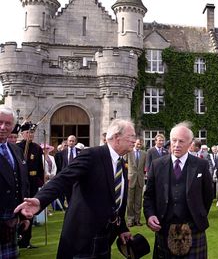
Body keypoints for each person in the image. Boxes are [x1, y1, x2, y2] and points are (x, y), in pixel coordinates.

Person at [14, 119, 135, 258]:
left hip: (105, 238)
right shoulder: (92, 155)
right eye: (131, 136)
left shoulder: (122, 163)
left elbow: (115, 201)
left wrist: (122, 228)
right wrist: (40, 200)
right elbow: (62, 179)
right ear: (116, 138)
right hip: (83, 237)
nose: (134, 140)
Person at [143, 121, 213, 258]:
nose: (176, 145)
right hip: (164, 228)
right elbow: (149, 196)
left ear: (190, 143)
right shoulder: (157, 165)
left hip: (193, 228)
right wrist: (150, 214)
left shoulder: (201, 165)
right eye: (174, 140)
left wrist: (199, 214)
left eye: (181, 141)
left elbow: (208, 196)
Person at [0, 105, 30, 258]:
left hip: (12, 220)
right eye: (0, 122)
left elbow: (22, 183)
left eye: (8, 124)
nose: (3, 127)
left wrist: (23, 216)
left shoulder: (16, 151)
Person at [17, 121, 44, 249]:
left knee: (30, 212)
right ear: (22, 134)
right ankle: (19, 238)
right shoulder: (18, 147)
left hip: (33, 182)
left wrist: (41, 180)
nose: (30, 135)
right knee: (20, 212)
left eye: (32, 132)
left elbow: (40, 166)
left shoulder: (37, 148)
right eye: (28, 132)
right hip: (22, 183)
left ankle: (27, 241)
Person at [126, 138, 147, 227]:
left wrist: (144, 174)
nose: (139, 145)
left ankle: (137, 220)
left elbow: (145, 167)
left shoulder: (144, 154)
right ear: (134, 143)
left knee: (138, 201)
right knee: (130, 201)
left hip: (140, 179)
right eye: (138, 144)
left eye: (140, 144)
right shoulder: (128, 152)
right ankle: (130, 220)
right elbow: (124, 163)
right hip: (131, 179)